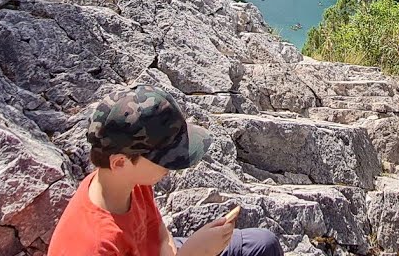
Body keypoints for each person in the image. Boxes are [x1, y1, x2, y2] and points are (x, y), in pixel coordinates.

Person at [48, 85, 283, 256]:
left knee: (262, 244)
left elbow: (158, 233)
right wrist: (194, 253)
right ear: (120, 162)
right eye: (165, 160)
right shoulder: (92, 245)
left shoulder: (128, 184)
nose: (171, 169)